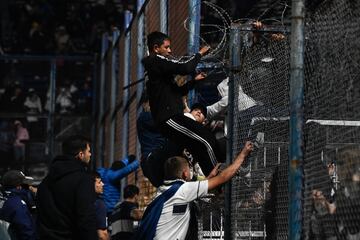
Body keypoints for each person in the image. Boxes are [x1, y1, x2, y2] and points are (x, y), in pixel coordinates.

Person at [134, 141, 253, 240]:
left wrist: (209, 177)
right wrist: (243, 154)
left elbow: (193, 189)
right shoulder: (184, 190)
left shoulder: (163, 190)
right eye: (189, 169)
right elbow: (222, 178)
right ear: (185, 173)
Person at [143, 31, 223, 176]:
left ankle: (214, 183)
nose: (170, 50)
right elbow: (185, 68)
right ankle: (219, 178)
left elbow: (176, 92)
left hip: (173, 116)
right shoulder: (157, 61)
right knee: (205, 139)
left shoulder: (159, 71)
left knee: (198, 146)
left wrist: (194, 82)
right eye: (166, 47)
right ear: (156, 48)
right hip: (169, 118)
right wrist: (199, 54)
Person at [36, 135, 97, 240]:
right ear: (80, 154)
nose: (90, 154)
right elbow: (86, 219)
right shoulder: (83, 179)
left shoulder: (47, 180)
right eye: (88, 151)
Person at [0, 170, 37, 240]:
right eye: (25, 185)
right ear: (18, 186)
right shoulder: (18, 204)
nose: (29, 187)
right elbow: (26, 232)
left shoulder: (4, 199)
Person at [93, 171, 109, 240]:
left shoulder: (83, 201)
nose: (103, 184)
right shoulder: (99, 204)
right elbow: (102, 234)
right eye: (99, 182)